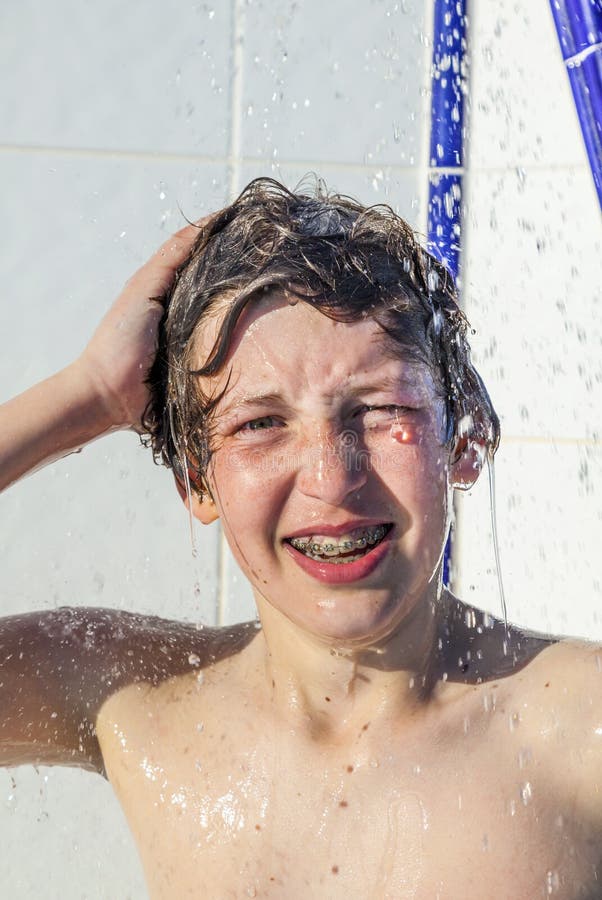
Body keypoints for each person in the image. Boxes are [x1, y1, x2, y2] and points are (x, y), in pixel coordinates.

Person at [1, 178, 600, 898]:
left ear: (463, 437)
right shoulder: (139, 702)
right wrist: (89, 393)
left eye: (380, 410)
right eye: (259, 424)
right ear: (195, 480)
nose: (330, 478)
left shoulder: (579, 728)